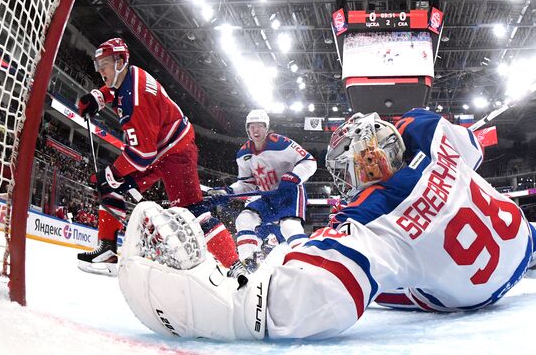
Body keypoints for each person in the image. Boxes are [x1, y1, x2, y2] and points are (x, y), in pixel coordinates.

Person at [117, 108, 535, 340]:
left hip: (473, 294)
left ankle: (270, 265)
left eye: (349, 169)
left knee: (352, 270)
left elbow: (305, 302)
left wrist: (225, 309)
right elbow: (470, 150)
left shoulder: (377, 218)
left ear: (365, 160)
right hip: (521, 236)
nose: (347, 181)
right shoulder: (429, 132)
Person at [76, 38, 244, 278]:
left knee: (192, 211)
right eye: (97, 64)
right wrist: (98, 97)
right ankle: (107, 252)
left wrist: (112, 173)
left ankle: (235, 266)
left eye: (104, 64)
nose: (100, 70)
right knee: (108, 185)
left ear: (120, 62)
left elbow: (142, 156)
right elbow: (114, 89)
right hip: (158, 148)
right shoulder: (128, 75)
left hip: (176, 152)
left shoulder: (136, 100)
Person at [207, 109, 317, 268]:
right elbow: (246, 183)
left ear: (267, 128)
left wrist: (293, 177)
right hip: (267, 197)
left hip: (290, 194)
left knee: (289, 227)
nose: (255, 130)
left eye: (260, 126)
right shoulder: (243, 154)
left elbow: (310, 162)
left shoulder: (282, 143)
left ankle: (307, 265)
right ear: (247, 130)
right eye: (251, 126)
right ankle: (249, 265)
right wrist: (227, 192)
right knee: (244, 219)